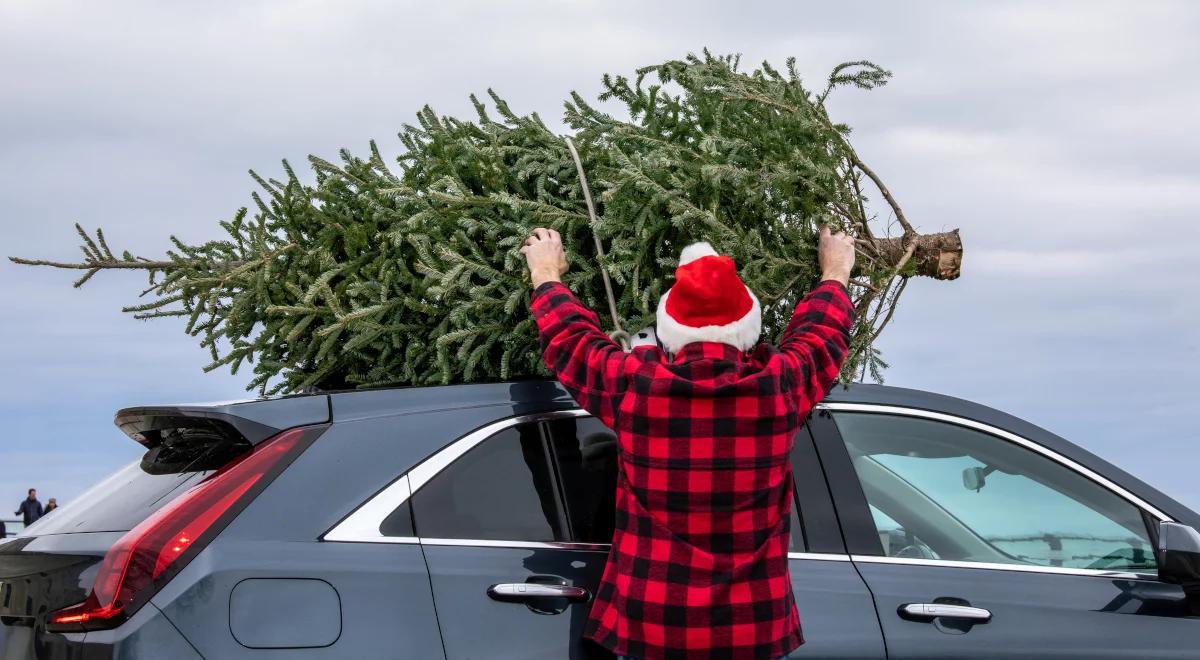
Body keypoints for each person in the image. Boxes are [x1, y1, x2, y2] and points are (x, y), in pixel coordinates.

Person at [521, 227, 856, 660]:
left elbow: (571, 341)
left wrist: (546, 271)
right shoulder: (779, 386)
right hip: (751, 631)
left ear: (669, 330)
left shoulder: (637, 386)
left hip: (650, 628)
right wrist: (835, 270)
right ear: (747, 327)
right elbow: (822, 334)